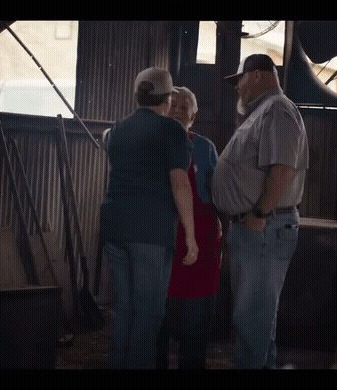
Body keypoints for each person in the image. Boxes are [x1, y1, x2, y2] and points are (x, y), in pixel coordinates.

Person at [211, 54, 309, 369]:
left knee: (252, 316)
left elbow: (282, 168)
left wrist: (260, 215)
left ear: (255, 76)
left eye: (239, 80)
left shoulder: (277, 109)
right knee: (257, 318)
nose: (237, 88)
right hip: (258, 228)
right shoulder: (265, 111)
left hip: (263, 228)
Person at [101, 67, 198, 369]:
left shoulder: (116, 129)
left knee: (124, 310)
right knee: (148, 313)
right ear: (167, 100)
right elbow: (180, 182)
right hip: (150, 232)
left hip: (114, 227)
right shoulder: (172, 131)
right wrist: (191, 237)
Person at [155, 87, 224, 369]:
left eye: (184, 108)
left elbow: (219, 195)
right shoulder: (150, 144)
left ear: (193, 117)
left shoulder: (205, 149)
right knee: (156, 322)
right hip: (159, 242)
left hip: (199, 245)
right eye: (172, 105)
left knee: (195, 324)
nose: (177, 111)